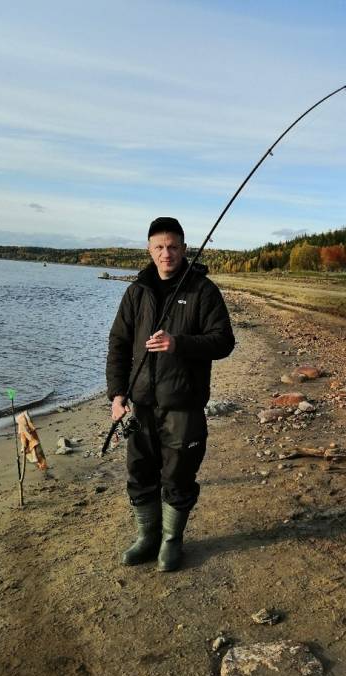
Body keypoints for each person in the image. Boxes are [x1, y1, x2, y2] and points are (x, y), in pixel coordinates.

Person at [106, 217, 235, 571]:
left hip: (184, 405)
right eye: (160, 247)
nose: (167, 253)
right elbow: (118, 344)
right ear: (149, 250)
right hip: (141, 404)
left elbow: (224, 341)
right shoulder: (136, 292)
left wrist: (178, 343)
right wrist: (117, 395)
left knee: (178, 478)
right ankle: (146, 538)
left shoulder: (202, 290)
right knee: (139, 474)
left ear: (184, 248)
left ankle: (170, 541)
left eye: (173, 246)